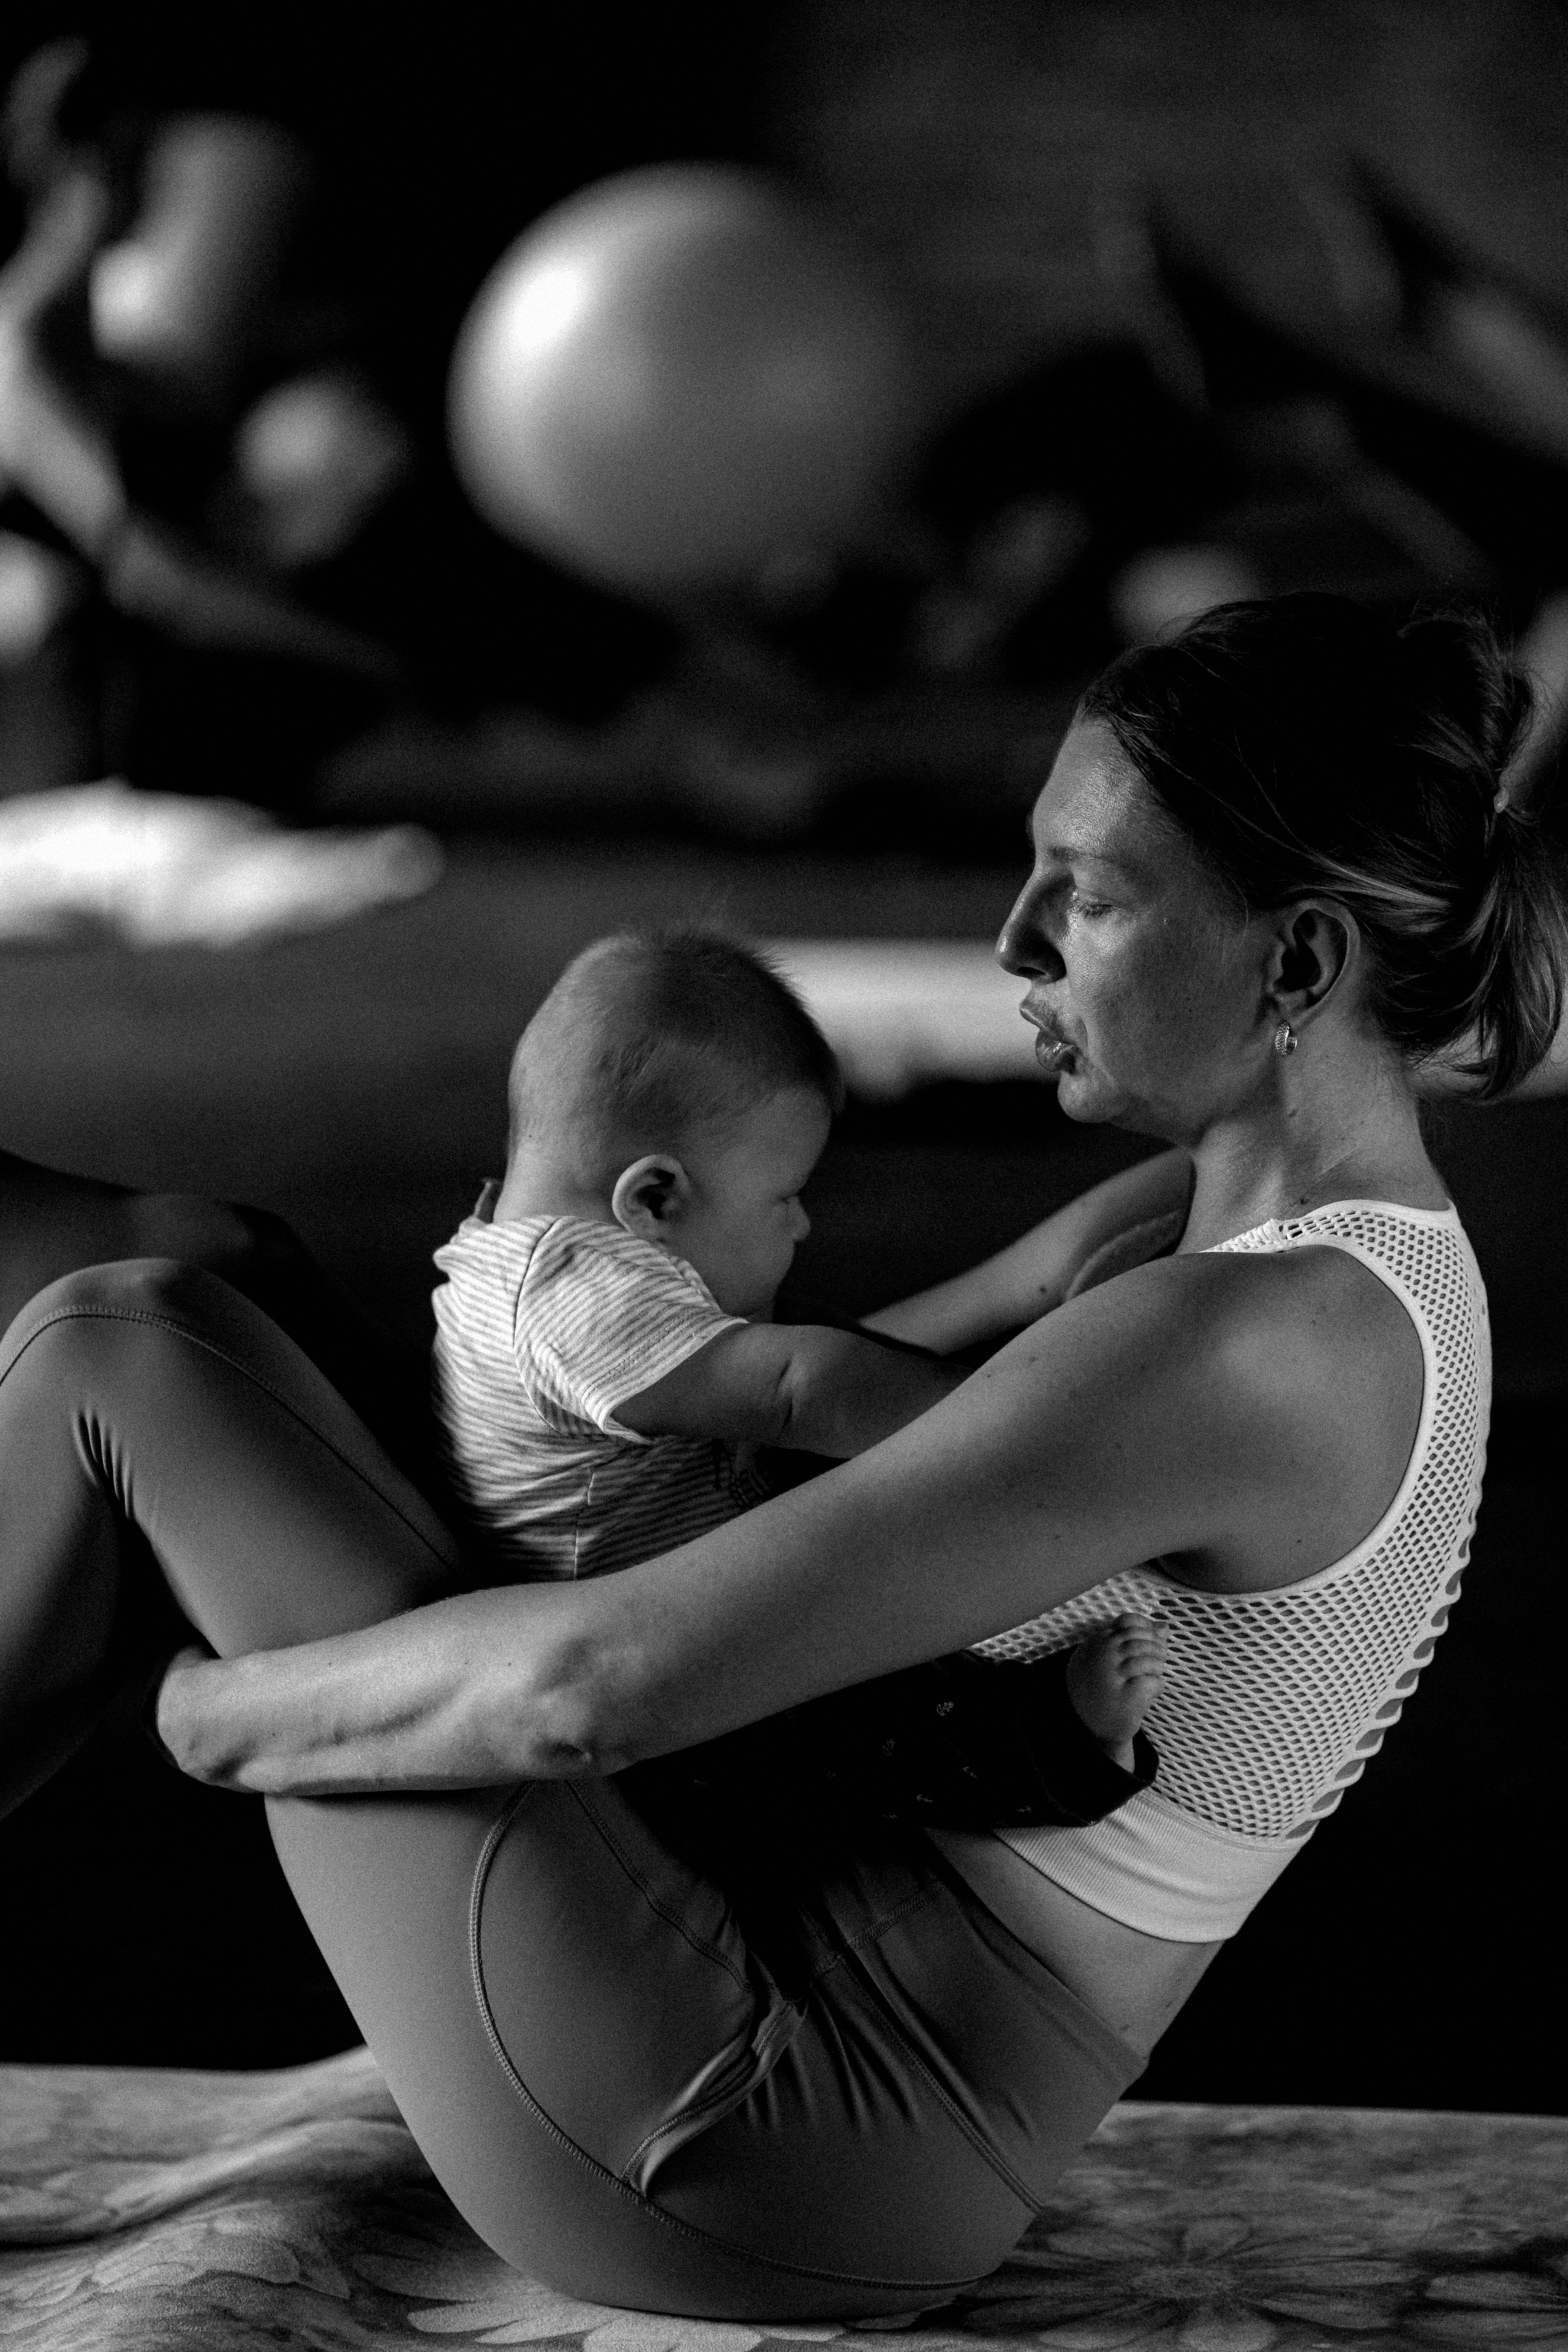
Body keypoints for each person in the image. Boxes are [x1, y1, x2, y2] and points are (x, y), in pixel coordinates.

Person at [1, 594, 1560, 2321]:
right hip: (772, 1997)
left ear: (1297, 963)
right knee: (212, 1264)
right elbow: (820, 1414)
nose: (1018, 945)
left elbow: (590, 1695)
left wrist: (218, 1718)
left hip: (768, 2139)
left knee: (127, 1344)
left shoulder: (1250, 1344)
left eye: (1095, 897)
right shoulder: (1274, 1252)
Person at [432, 924, 1177, 1825]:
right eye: (783, 1197)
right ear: (655, 1199)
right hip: (654, 1687)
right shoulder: (574, 1299)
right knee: (855, 1727)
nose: (802, 1228)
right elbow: (798, 1388)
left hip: (669, 1568)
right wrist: (1013, 1429)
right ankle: (1048, 1745)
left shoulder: (519, 1257)